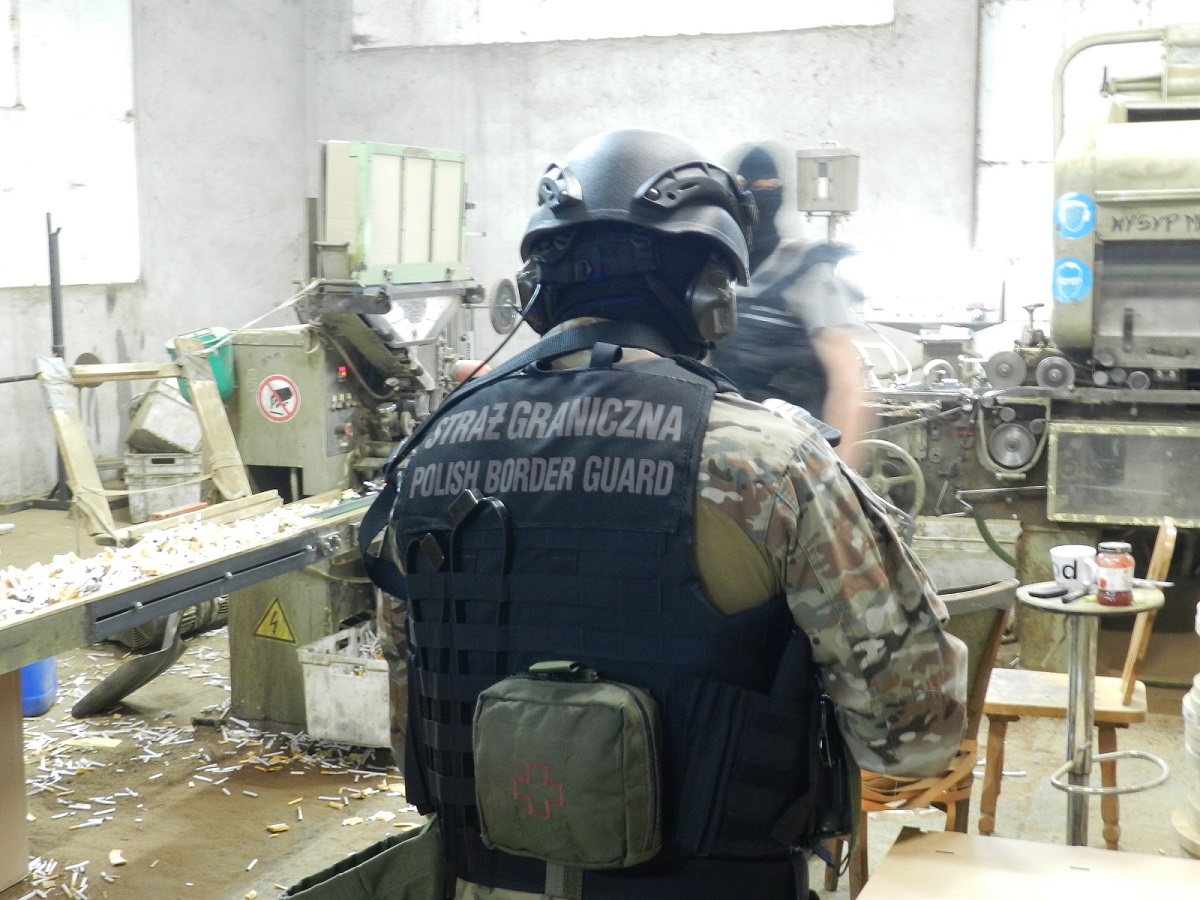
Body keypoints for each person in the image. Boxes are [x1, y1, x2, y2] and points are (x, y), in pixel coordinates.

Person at [366, 128, 967, 900]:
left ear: (537, 292)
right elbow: (914, 735)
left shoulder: (429, 454)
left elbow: (411, 716)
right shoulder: (765, 462)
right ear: (711, 297)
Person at [707, 144, 870, 468]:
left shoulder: (807, 271)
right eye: (749, 188)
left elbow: (847, 383)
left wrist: (839, 472)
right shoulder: (718, 272)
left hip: (797, 461)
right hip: (729, 456)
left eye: (770, 189)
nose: (761, 198)